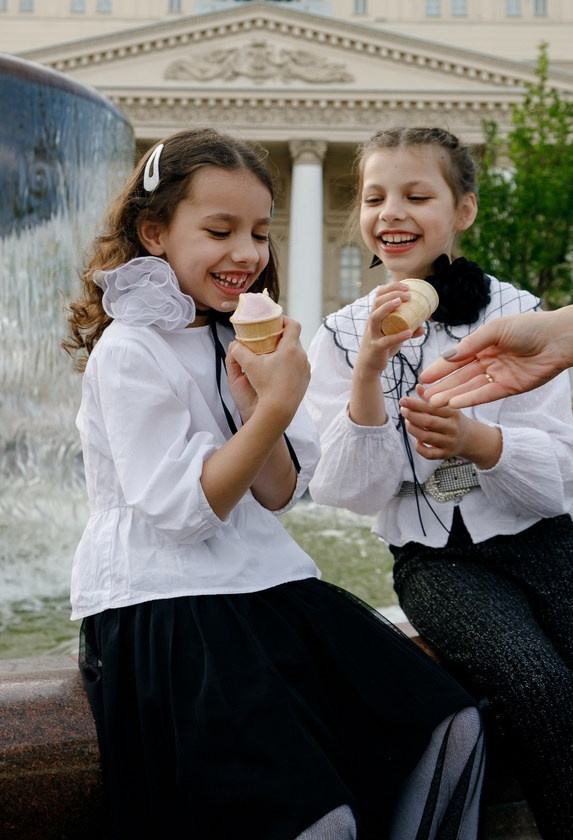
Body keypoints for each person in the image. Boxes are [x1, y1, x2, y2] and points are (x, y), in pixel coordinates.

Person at [62, 127, 484, 840]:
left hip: (265, 584)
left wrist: (263, 408)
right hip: (167, 603)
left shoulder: (235, 334)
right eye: (220, 230)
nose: (247, 254)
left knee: (453, 725)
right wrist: (280, 407)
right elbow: (184, 509)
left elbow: (279, 493)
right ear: (154, 230)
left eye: (259, 233)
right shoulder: (129, 348)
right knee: (318, 821)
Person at [305, 126, 573, 840]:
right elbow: (345, 490)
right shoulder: (338, 337)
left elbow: (556, 483)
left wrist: (477, 442)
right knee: (535, 686)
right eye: (374, 197)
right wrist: (367, 373)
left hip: (545, 544)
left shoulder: (515, 313)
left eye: (416, 195)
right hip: (435, 564)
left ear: (464, 210)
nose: (390, 211)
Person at [417, 290, 573, 408]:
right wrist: (555, 338)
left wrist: (556, 337)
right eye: (379, 200)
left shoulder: (513, 302)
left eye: (418, 199)